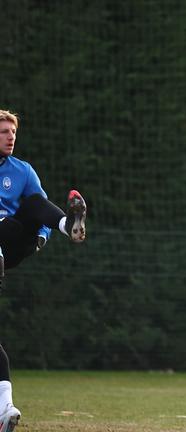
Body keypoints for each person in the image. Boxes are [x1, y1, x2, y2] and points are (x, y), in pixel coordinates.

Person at [0, 109, 87, 432]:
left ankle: (69, 224)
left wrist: (42, 237)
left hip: (13, 246)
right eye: (4, 131)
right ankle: (5, 410)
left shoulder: (22, 171)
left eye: (13, 131)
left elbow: (38, 212)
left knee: (34, 204)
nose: (11, 137)